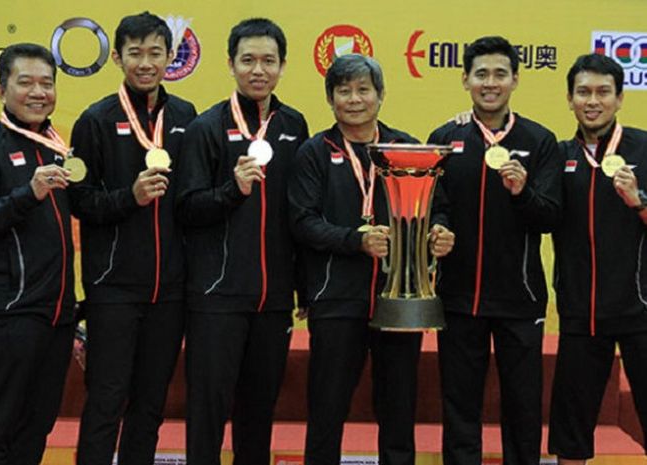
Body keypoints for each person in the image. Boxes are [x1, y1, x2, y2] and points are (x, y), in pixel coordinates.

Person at [288, 54, 435, 465]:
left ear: (381, 95)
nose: (354, 99)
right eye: (344, 91)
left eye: (363, 89)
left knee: (399, 411)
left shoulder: (406, 149)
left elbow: (433, 208)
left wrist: (439, 232)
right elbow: (303, 222)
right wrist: (356, 240)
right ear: (331, 98)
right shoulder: (314, 153)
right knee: (327, 410)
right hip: (336, 300)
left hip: (399, 299)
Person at [177, 18, 308, 465]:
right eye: (248, 60)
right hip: (216, 297)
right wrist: (233, 190)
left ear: (283, 66)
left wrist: (301, 290)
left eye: (268, 61)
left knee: (258, 412)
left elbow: (302, 214)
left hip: (273, 301)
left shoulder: (294, 125)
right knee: (208, 412)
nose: (258, 70)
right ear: (230, 64)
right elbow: (187, 208)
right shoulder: (206, 127)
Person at [68, 12, 196, 465]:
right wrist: (130, 197)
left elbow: (193, 200)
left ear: (170, 57)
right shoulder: (95, 120)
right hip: (113, 288)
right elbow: (79, 201)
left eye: (156, 53)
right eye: (136, 53)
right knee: (106, 398)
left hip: (171, 291)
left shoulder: (186, 116)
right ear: (118, 57)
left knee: (150, 403)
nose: (146, 63)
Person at [427, 36, 562, 465]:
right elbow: (434, 205)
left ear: (516, 80)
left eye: (500, 74)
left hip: (519, 299)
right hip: (459, 297)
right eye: (481, 74)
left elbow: (551, 217)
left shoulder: (541, 141)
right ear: (465, 79)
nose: (490, 83)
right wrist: (439, 229)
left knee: (523, 407)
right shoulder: (445, 138)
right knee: (460, 406)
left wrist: (522, 193)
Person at [0, 42, 76, 465]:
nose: (38, 92)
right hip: (7, 312)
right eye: (25, 83)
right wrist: (29, 193)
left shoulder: (56, 146)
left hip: (55, 314)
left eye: (46, 83)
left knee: (36, 424)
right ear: (2, 90)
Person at [548, 53, 647, 465]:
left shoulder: (644, 146)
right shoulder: (555, 154)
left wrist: (638, 201)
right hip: (580, 313)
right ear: (570, 99)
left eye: (603, 92)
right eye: (583, 92)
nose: (593, 101)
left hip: (641, 308)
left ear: (620, 98)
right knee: (572, 427)